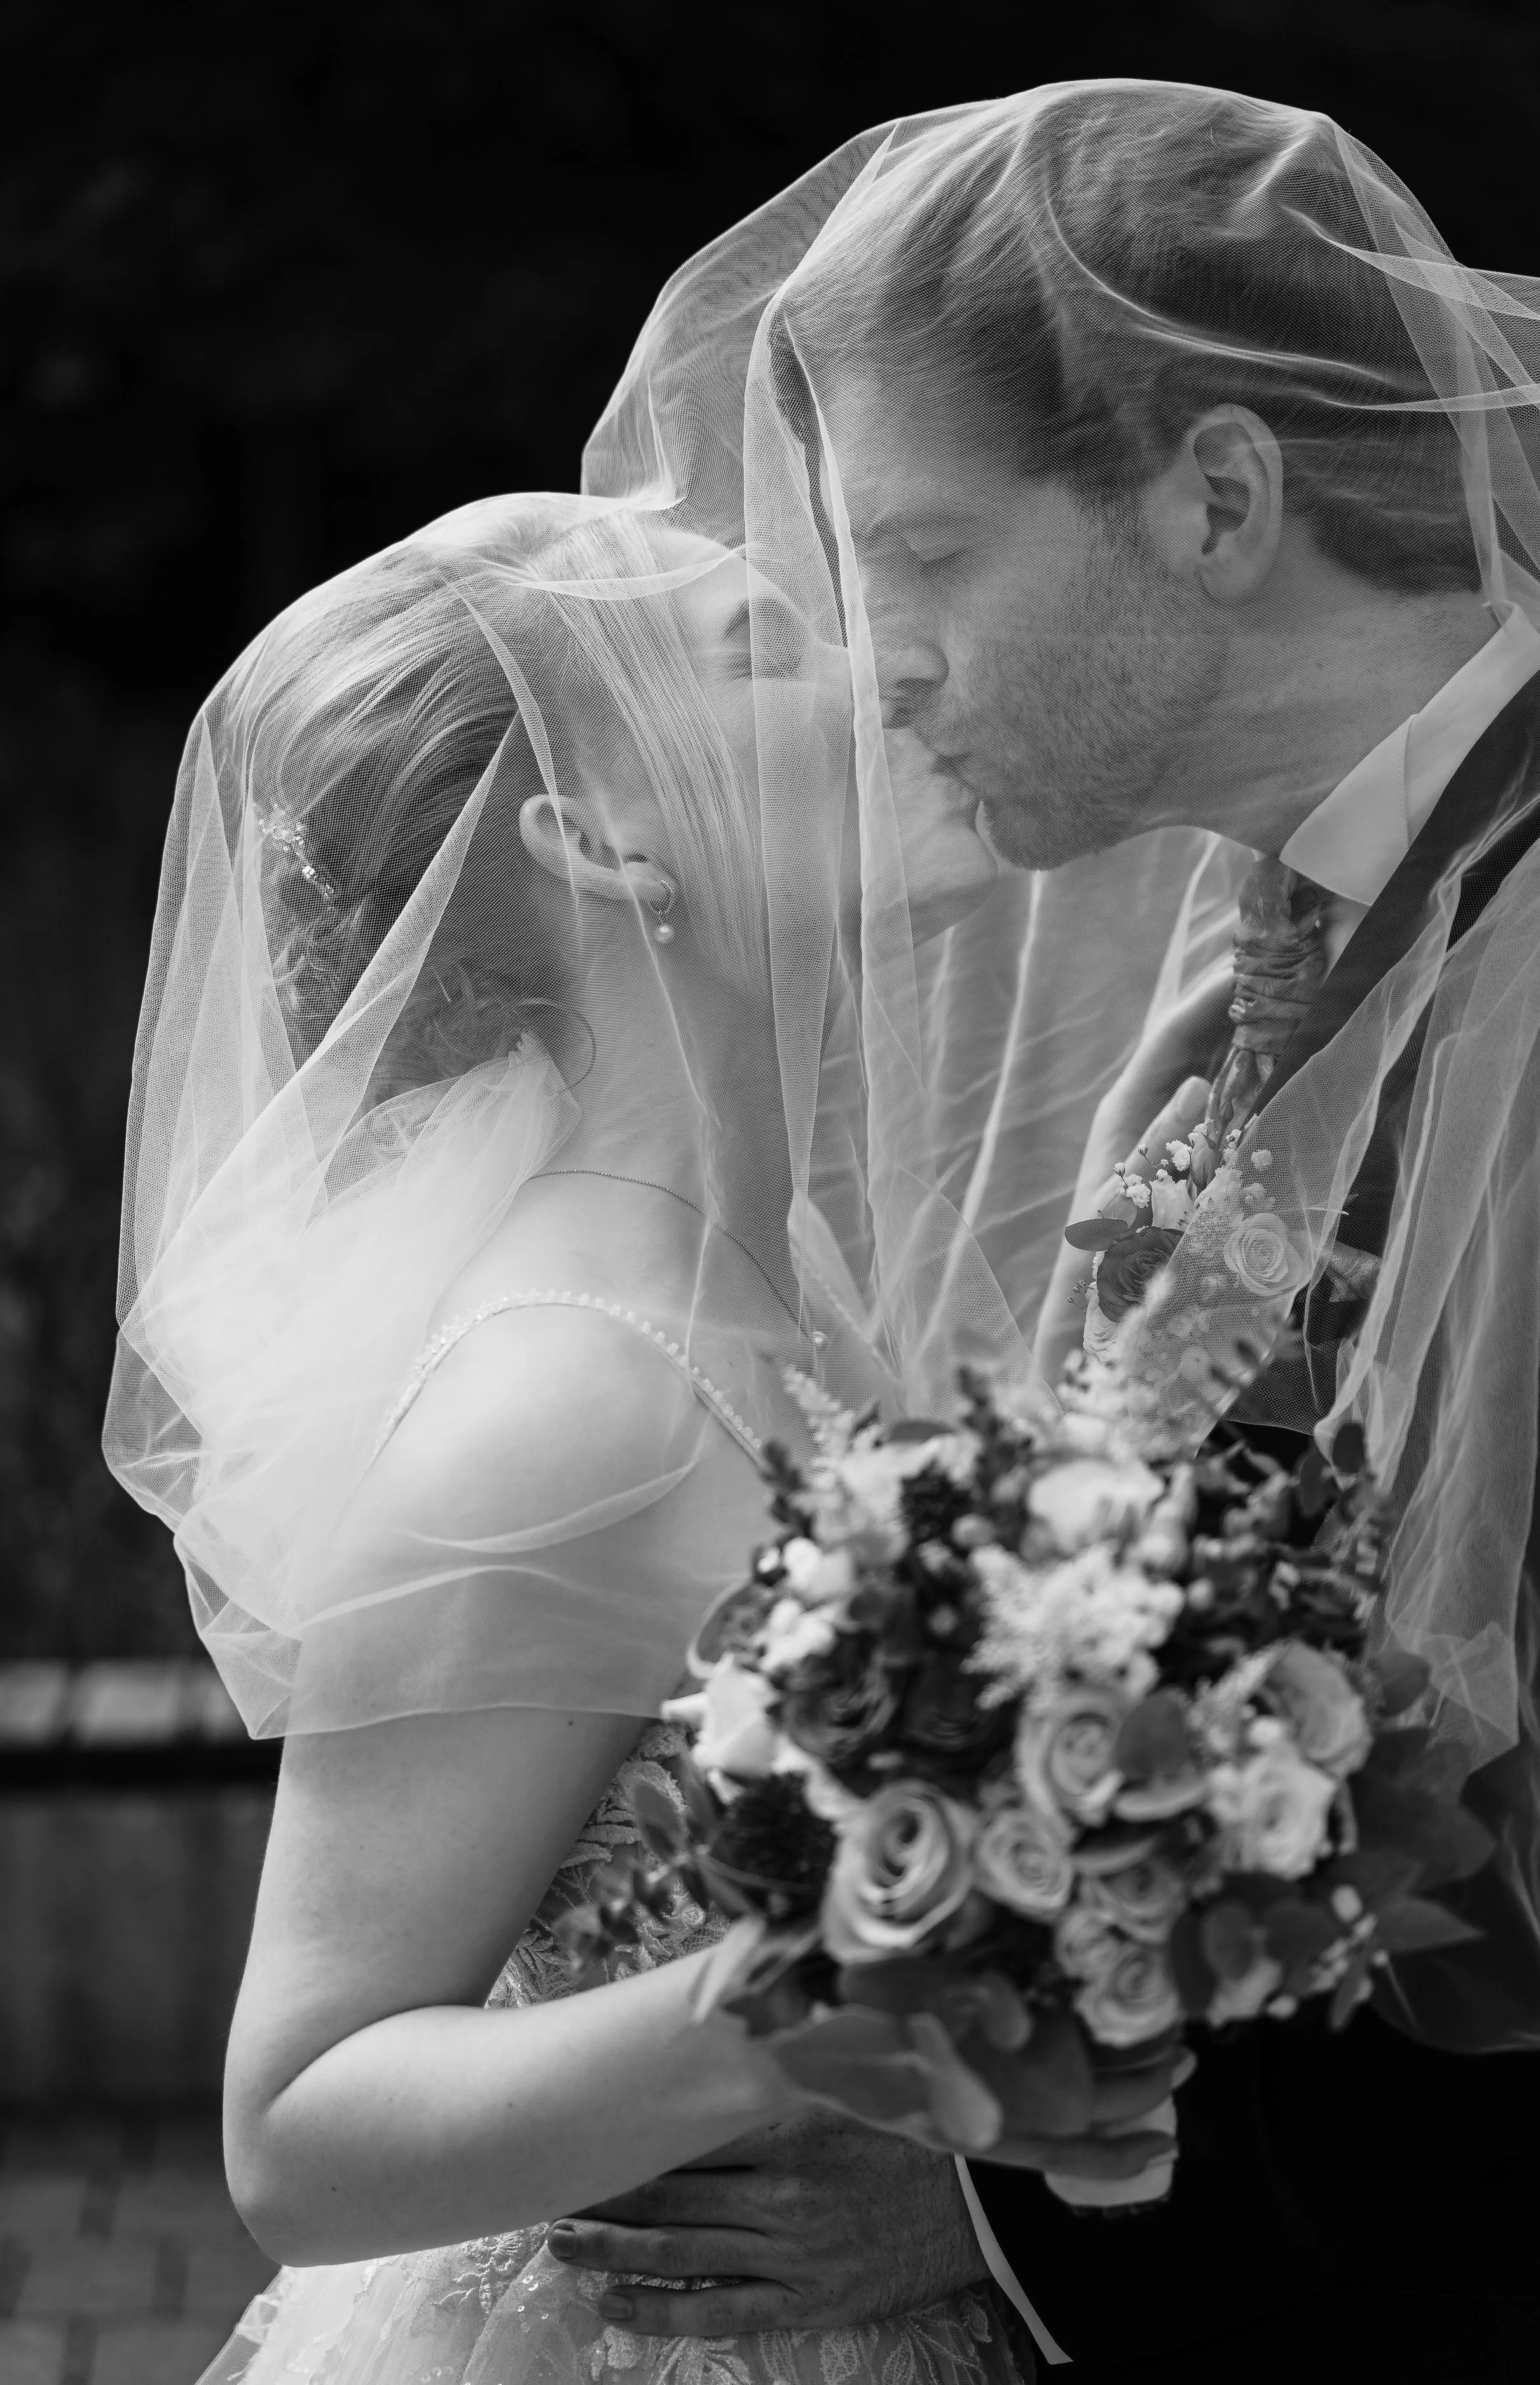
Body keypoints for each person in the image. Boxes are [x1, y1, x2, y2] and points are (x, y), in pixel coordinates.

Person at [544, 84, 1540, 2375]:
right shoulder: (1274, 930)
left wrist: (1022, 2201)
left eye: (919, 557)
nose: (875, 663)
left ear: (1218, 497)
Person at [108, 485, 1188, 2383]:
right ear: (591, 834)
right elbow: (300, 2128)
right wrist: (843, 1973)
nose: (879, 670)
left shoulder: (772, 1294)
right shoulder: (569, 1400)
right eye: (769, 650)